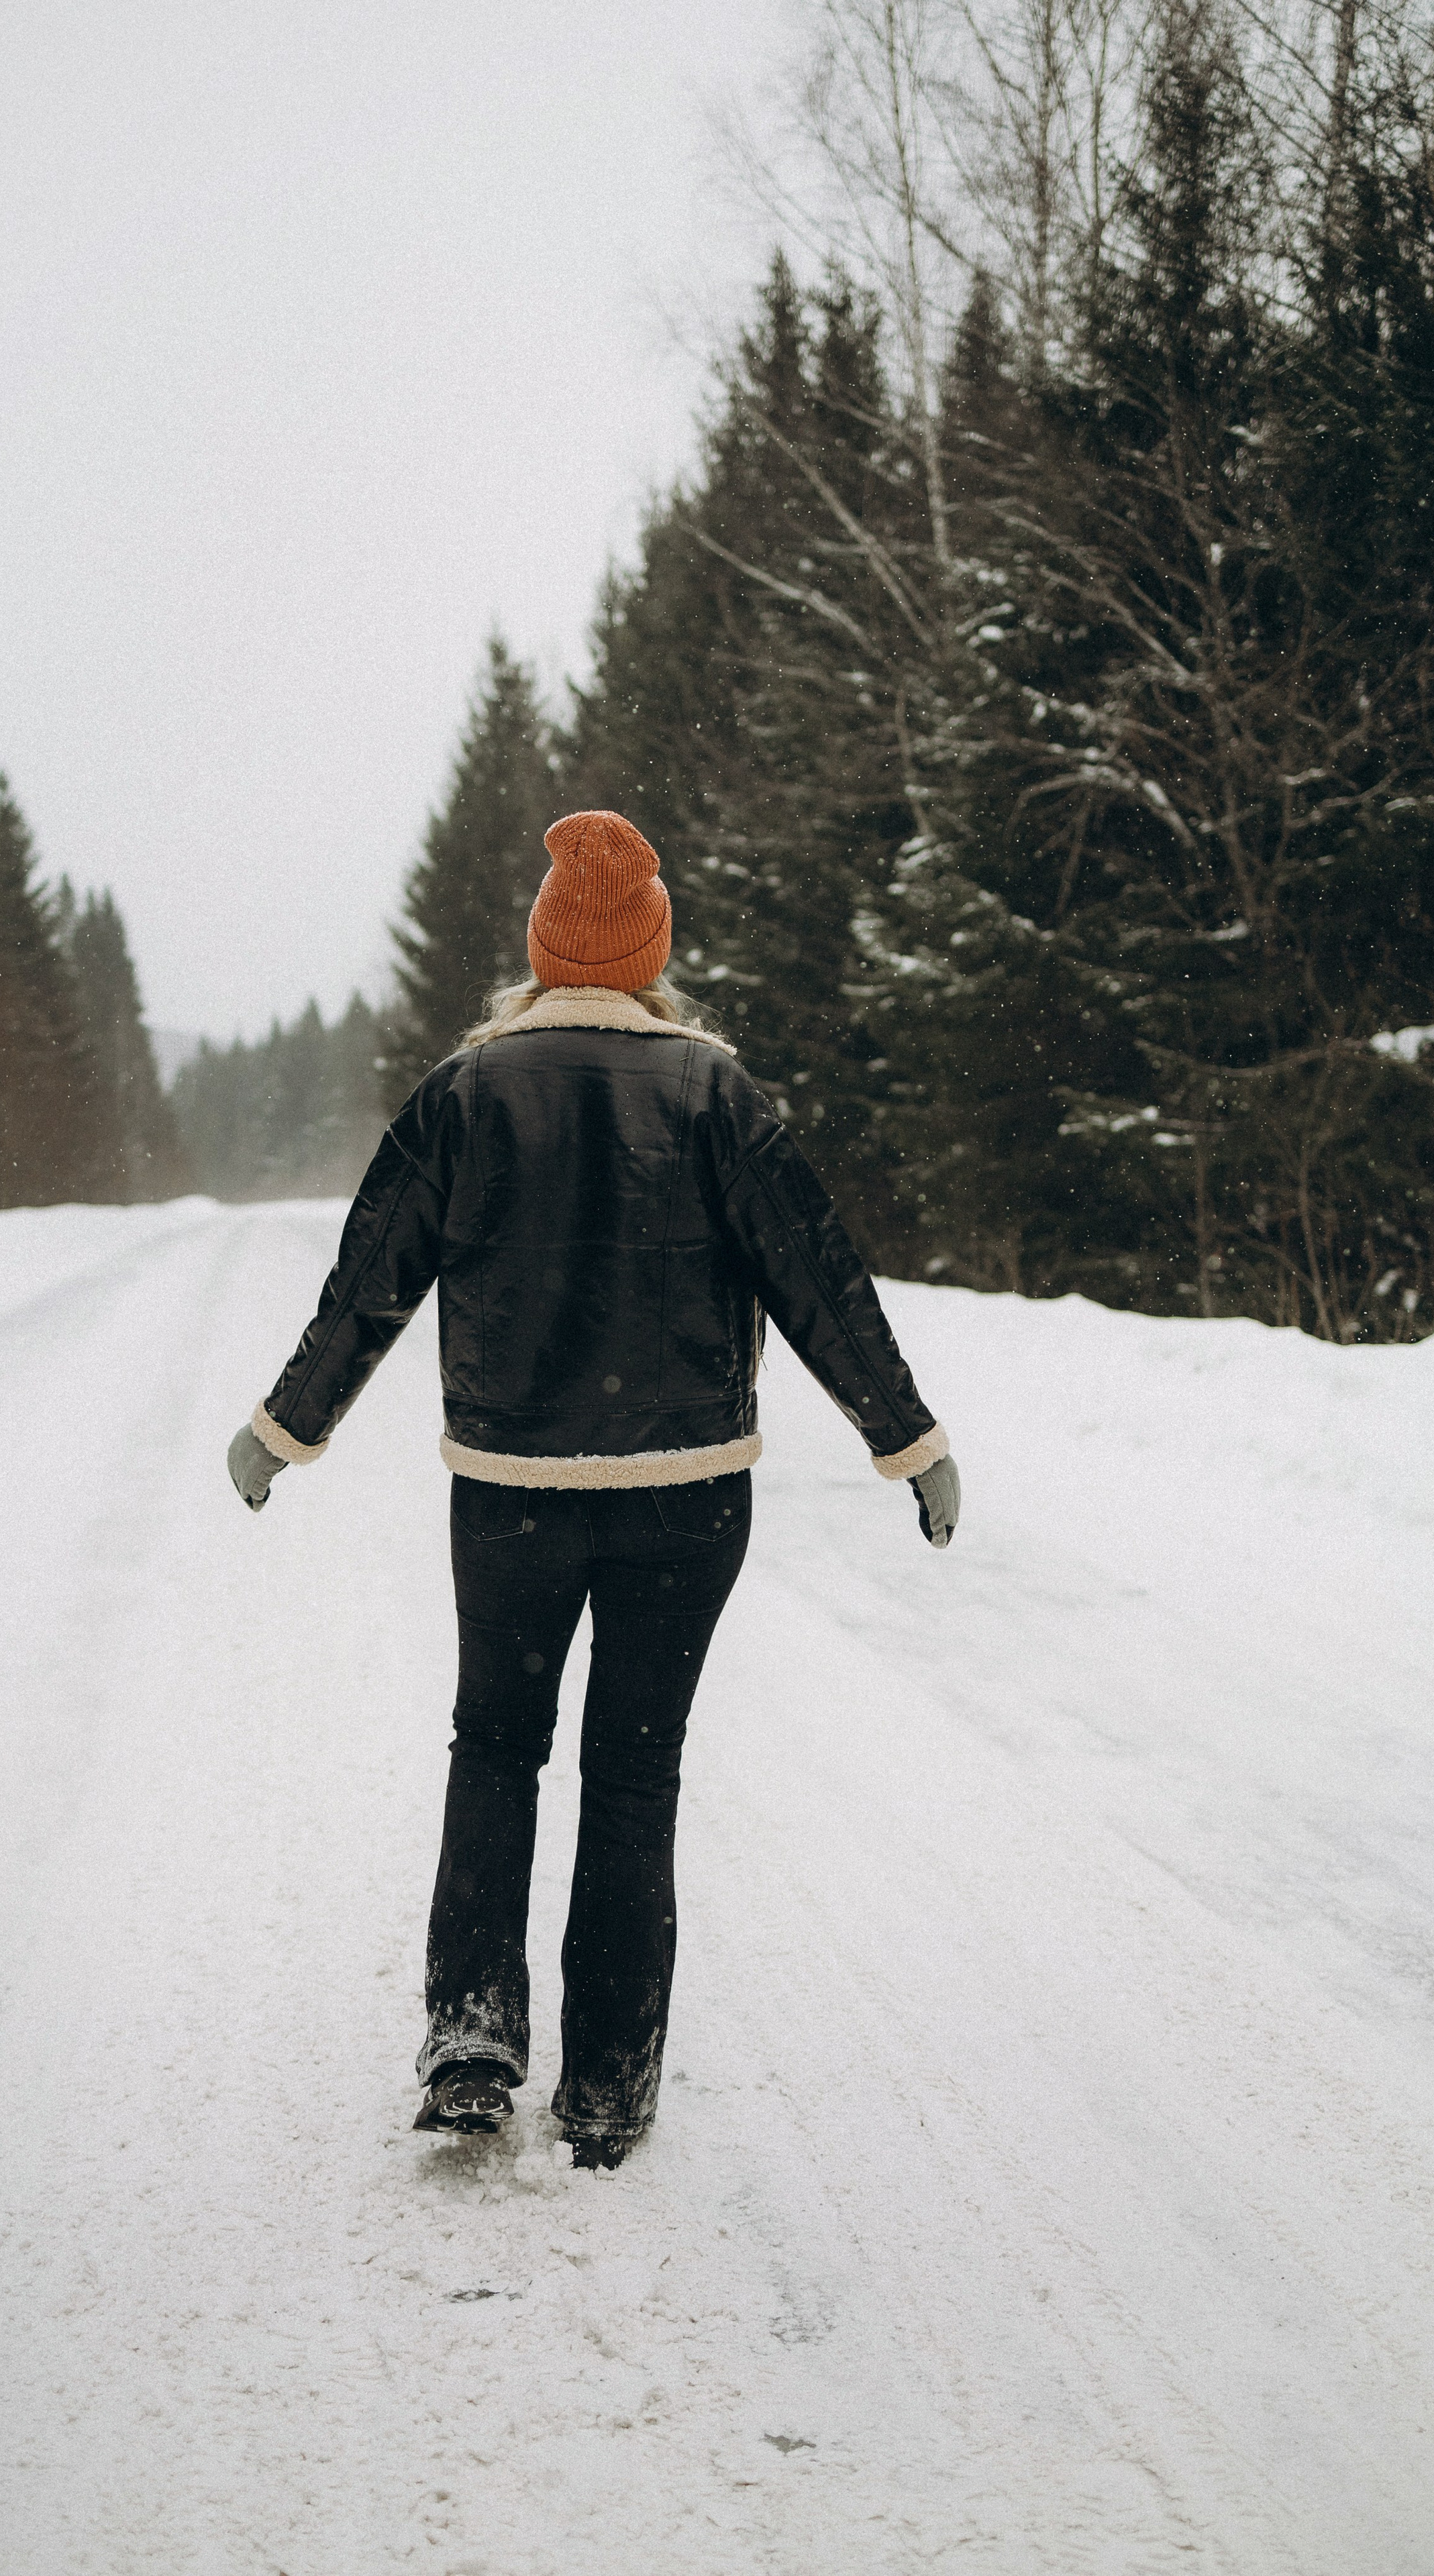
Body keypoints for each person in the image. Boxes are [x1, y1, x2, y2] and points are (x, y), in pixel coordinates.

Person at [227, 810, 959, 2170]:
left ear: (542, 953)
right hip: (685, 1498)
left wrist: (289, 1422)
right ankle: (608, 2085)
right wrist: (903, 1436)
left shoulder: (465, 1090)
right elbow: (817, 1279)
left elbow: (369, 1280)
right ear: (647, 956)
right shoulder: (715, 1092)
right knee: (633, 1774)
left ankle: (471, 2034)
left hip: (509, 1490)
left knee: (496, 1744)